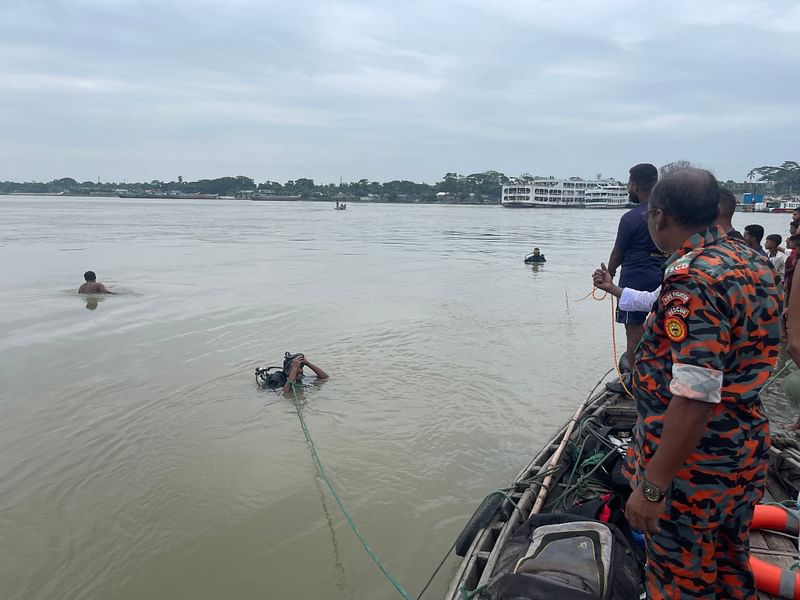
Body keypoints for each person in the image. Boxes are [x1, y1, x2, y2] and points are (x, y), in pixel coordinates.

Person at [623, 168, 780, 599]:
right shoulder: (753, 259)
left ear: (658, 216)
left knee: (680, 582)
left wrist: (652, 487)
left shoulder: (691, 280)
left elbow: (693, 397)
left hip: (694, 467)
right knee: (731, 566)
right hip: (744, 451)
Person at [606, 163, 668, 372]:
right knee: (665, 331)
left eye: (628, 183)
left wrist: (609, 274)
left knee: (634, 335)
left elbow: (617, 253)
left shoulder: (631, 217)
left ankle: (636, 382)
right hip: (667, 279)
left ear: (634, 185)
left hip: (635, 281)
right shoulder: (670, 214)